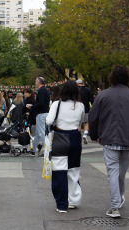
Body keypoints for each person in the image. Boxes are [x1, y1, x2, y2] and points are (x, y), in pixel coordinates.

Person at [88, 65, 129, 218]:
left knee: (113, 172)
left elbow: (93, 117)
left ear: (111, 77)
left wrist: (94, 135)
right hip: (127, 139)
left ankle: (115, 206)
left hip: (109, 138)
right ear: (128, 78)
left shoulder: (103, 95)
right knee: (121, 173)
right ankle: (119, 197)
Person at [46, 80, 85, 213]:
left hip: (60, 138)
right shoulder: (80, 105)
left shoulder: (57, 104)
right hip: (75, 138)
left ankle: (62, 204)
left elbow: (49, 121)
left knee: (59, 171)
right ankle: (73, 200)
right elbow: (80, 122)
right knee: (73, 170)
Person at [26, 77, 50, 156]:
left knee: (41, 133)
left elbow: (41, 103)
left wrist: (32, 107)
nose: (35, 84)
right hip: (43, 113)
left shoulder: (41, 90)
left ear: (38, 82)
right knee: (37, 133)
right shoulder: (44, 90)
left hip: (41, 114)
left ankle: (46, 151)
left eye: (35, 82)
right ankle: (33, 150)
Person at [76, 79, 94, 144]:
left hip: (77, 108)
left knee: (78, 123)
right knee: (86, 122)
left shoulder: (75, 90)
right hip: (86, 108)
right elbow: (92, 100)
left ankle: (78, 137)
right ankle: (85, 135)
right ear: (82, 83)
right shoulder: (87, 90)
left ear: (77, 84)